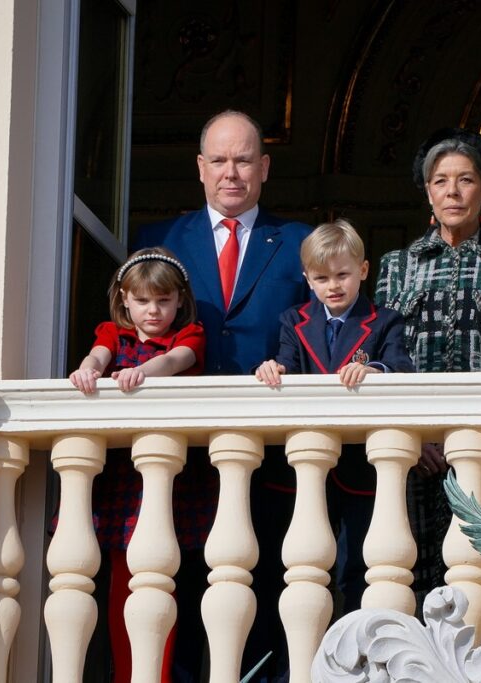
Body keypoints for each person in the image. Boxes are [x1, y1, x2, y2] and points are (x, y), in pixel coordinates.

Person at [133, 110, 313, 682]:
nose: (230, 173)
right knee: (178, 580)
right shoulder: (156, 240)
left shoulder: (301, 243)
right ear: (200, 168)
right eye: (219, 160)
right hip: (182, 448)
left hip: (271, 447)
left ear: (263, 167)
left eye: (242, 160)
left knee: (265, 579)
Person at [373, 129, 481, 661]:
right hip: (415, 461)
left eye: (466, 180)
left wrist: (475, 442)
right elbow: (380, 354)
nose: (453, 191)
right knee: (415, 581)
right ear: (427, 192)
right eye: (441, 181)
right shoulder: (397, 267)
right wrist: (416, 438)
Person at [255, 219, 415, 613]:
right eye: (322, 277)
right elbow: (287, 364)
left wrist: (376, 370)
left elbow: (402, 366)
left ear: (362, 271)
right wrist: (273, 369)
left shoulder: (386, 320)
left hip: (362, 467)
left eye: (343, 274)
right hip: (309, 465)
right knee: (302, 565)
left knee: (357, 566)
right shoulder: (293, 321)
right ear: (308, 279)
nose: (334, 285)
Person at [68, 247, 205, 682]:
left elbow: (174, 361)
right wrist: (87, 370)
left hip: (171, 484)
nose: (153, 310)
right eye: (143, 301)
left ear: (179, 301)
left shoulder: (190, 335)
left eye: (163, 301)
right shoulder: (113, 333)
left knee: (164, 584)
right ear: (125, 298)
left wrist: (145, 371)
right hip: (121, 483)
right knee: (118, 586)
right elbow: (97, 356)